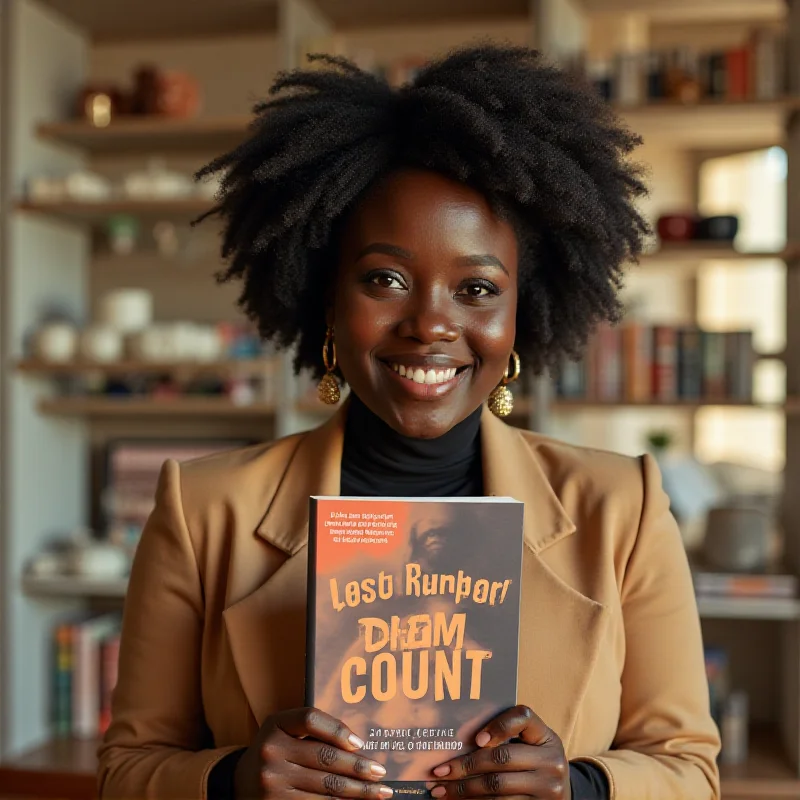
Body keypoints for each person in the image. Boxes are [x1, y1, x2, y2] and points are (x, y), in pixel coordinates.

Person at [97, 45, 721, 800]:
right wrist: (230, 780)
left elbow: (690, 770)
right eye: (385, 279)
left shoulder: (623, 507)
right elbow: (127, 771)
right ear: (329, 300)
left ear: (521, 312)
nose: (430, 324)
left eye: (477, 288)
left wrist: (580, 788)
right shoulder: (203, 511)